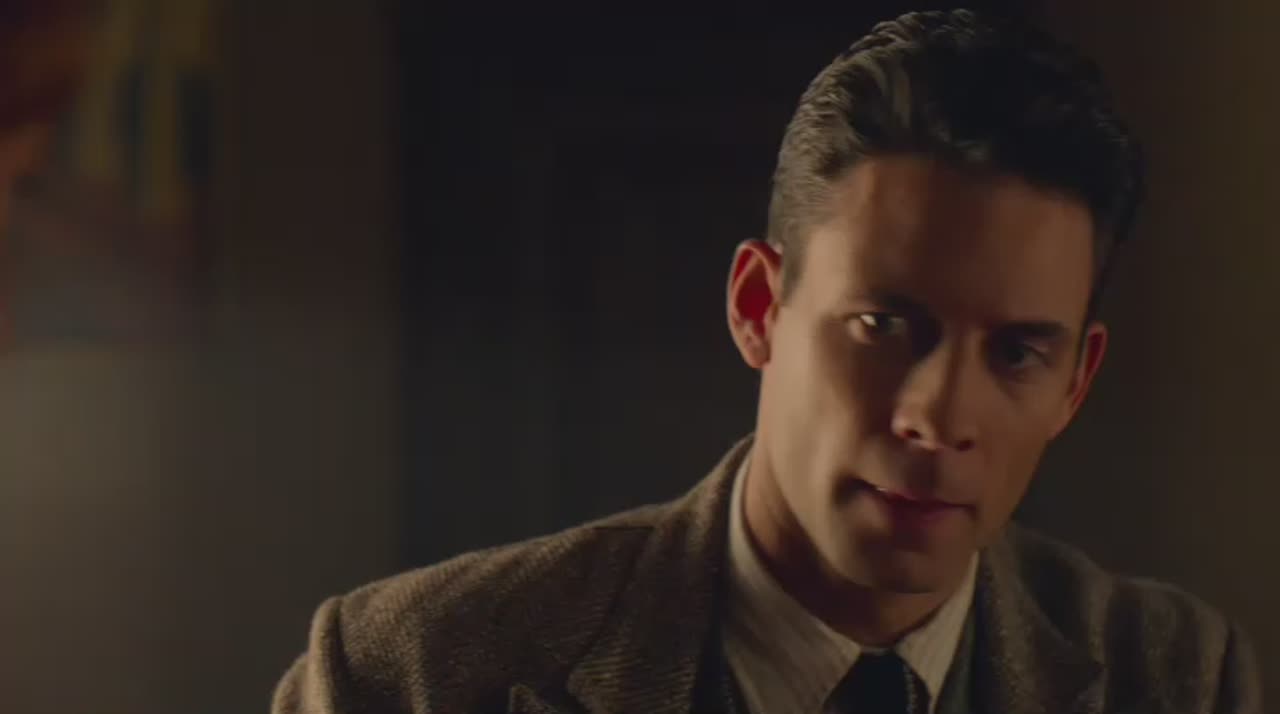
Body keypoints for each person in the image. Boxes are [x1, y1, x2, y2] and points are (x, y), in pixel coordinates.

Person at [273, 9, 1262, 713]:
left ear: (1074, 384)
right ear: (759, 308)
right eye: (884, 325)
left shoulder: (1171, 677)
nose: (937, 417)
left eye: (1014, 353)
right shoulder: (417, 676)